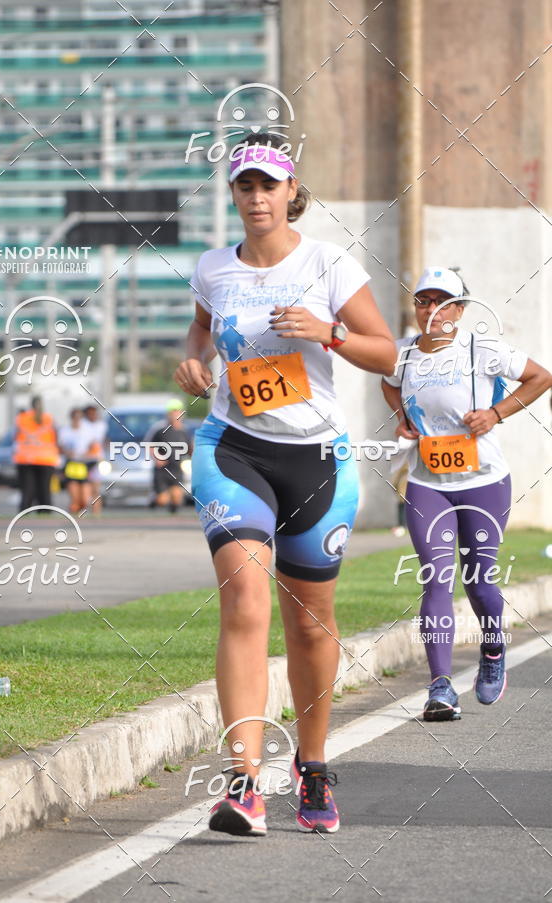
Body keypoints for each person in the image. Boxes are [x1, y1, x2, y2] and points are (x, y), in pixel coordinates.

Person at [174, 133, 397, 836]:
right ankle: (243, 782)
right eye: (246, 186)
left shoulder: (328, 263)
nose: (257, 197)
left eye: (269, 185)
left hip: (316, 462)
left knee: (307, 621)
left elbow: (387, 352)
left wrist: (328, 332)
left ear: (290, 190)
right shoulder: (214, 268)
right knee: (244, 597)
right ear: (234, 195)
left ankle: (313, 763)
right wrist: (191, 363)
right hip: (232, 449)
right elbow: (200, 333)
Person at [382, 266, 552, 722]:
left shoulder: (484, 348)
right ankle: (439, 687)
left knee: (479, 580)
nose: (431, 310)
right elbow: (388, 382)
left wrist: (496, 413)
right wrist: (402, 417)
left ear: (460, 309)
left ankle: (493, 648)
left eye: (443, 302)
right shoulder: (402, 354)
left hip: (485, 482)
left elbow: (540, 377)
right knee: (436, 579)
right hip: (427, 483)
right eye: (423, 301)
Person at [13, 395, 60, 511]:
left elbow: (16, 437)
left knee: (27, 490)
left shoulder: (22, 418)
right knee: (44, 490)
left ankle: (24, 512)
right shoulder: (49, 418)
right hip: (46, 459)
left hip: (26, 459)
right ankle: (44, 513)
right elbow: (56, 437)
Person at [144, 398, 191, 514]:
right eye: (172, 412)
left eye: (178, 412)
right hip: (162, 470)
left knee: (177, 498)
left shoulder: (184, 431)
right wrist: (157, 457)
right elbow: (149, 445)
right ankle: (153, 501)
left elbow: (190, 449)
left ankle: (173, 517)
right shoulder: (160, 429)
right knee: (162, 500)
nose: (175, 415)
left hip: (177, 469)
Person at [58, 407, 93, 514]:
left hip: (84, 465)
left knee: (85, 500)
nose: (77, 420)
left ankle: (81, 514)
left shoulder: (87, 430)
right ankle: (73, 520)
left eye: (79, 417)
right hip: (71, 465)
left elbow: (93, 445)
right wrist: (67, 452)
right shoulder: (65, 431)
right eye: (75, 417)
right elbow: (60, 447)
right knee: (75, 500)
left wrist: (88, 453)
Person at [81, 404, 107, 515]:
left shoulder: (101, 425)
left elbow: (103, 440)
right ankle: (83, 511)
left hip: (97, 460)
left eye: (94, 413)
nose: (92, 415)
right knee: (84, 490)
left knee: (96, 489)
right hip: (83, 460)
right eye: (90, 413)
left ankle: (97, 513)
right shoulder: (82, 425)